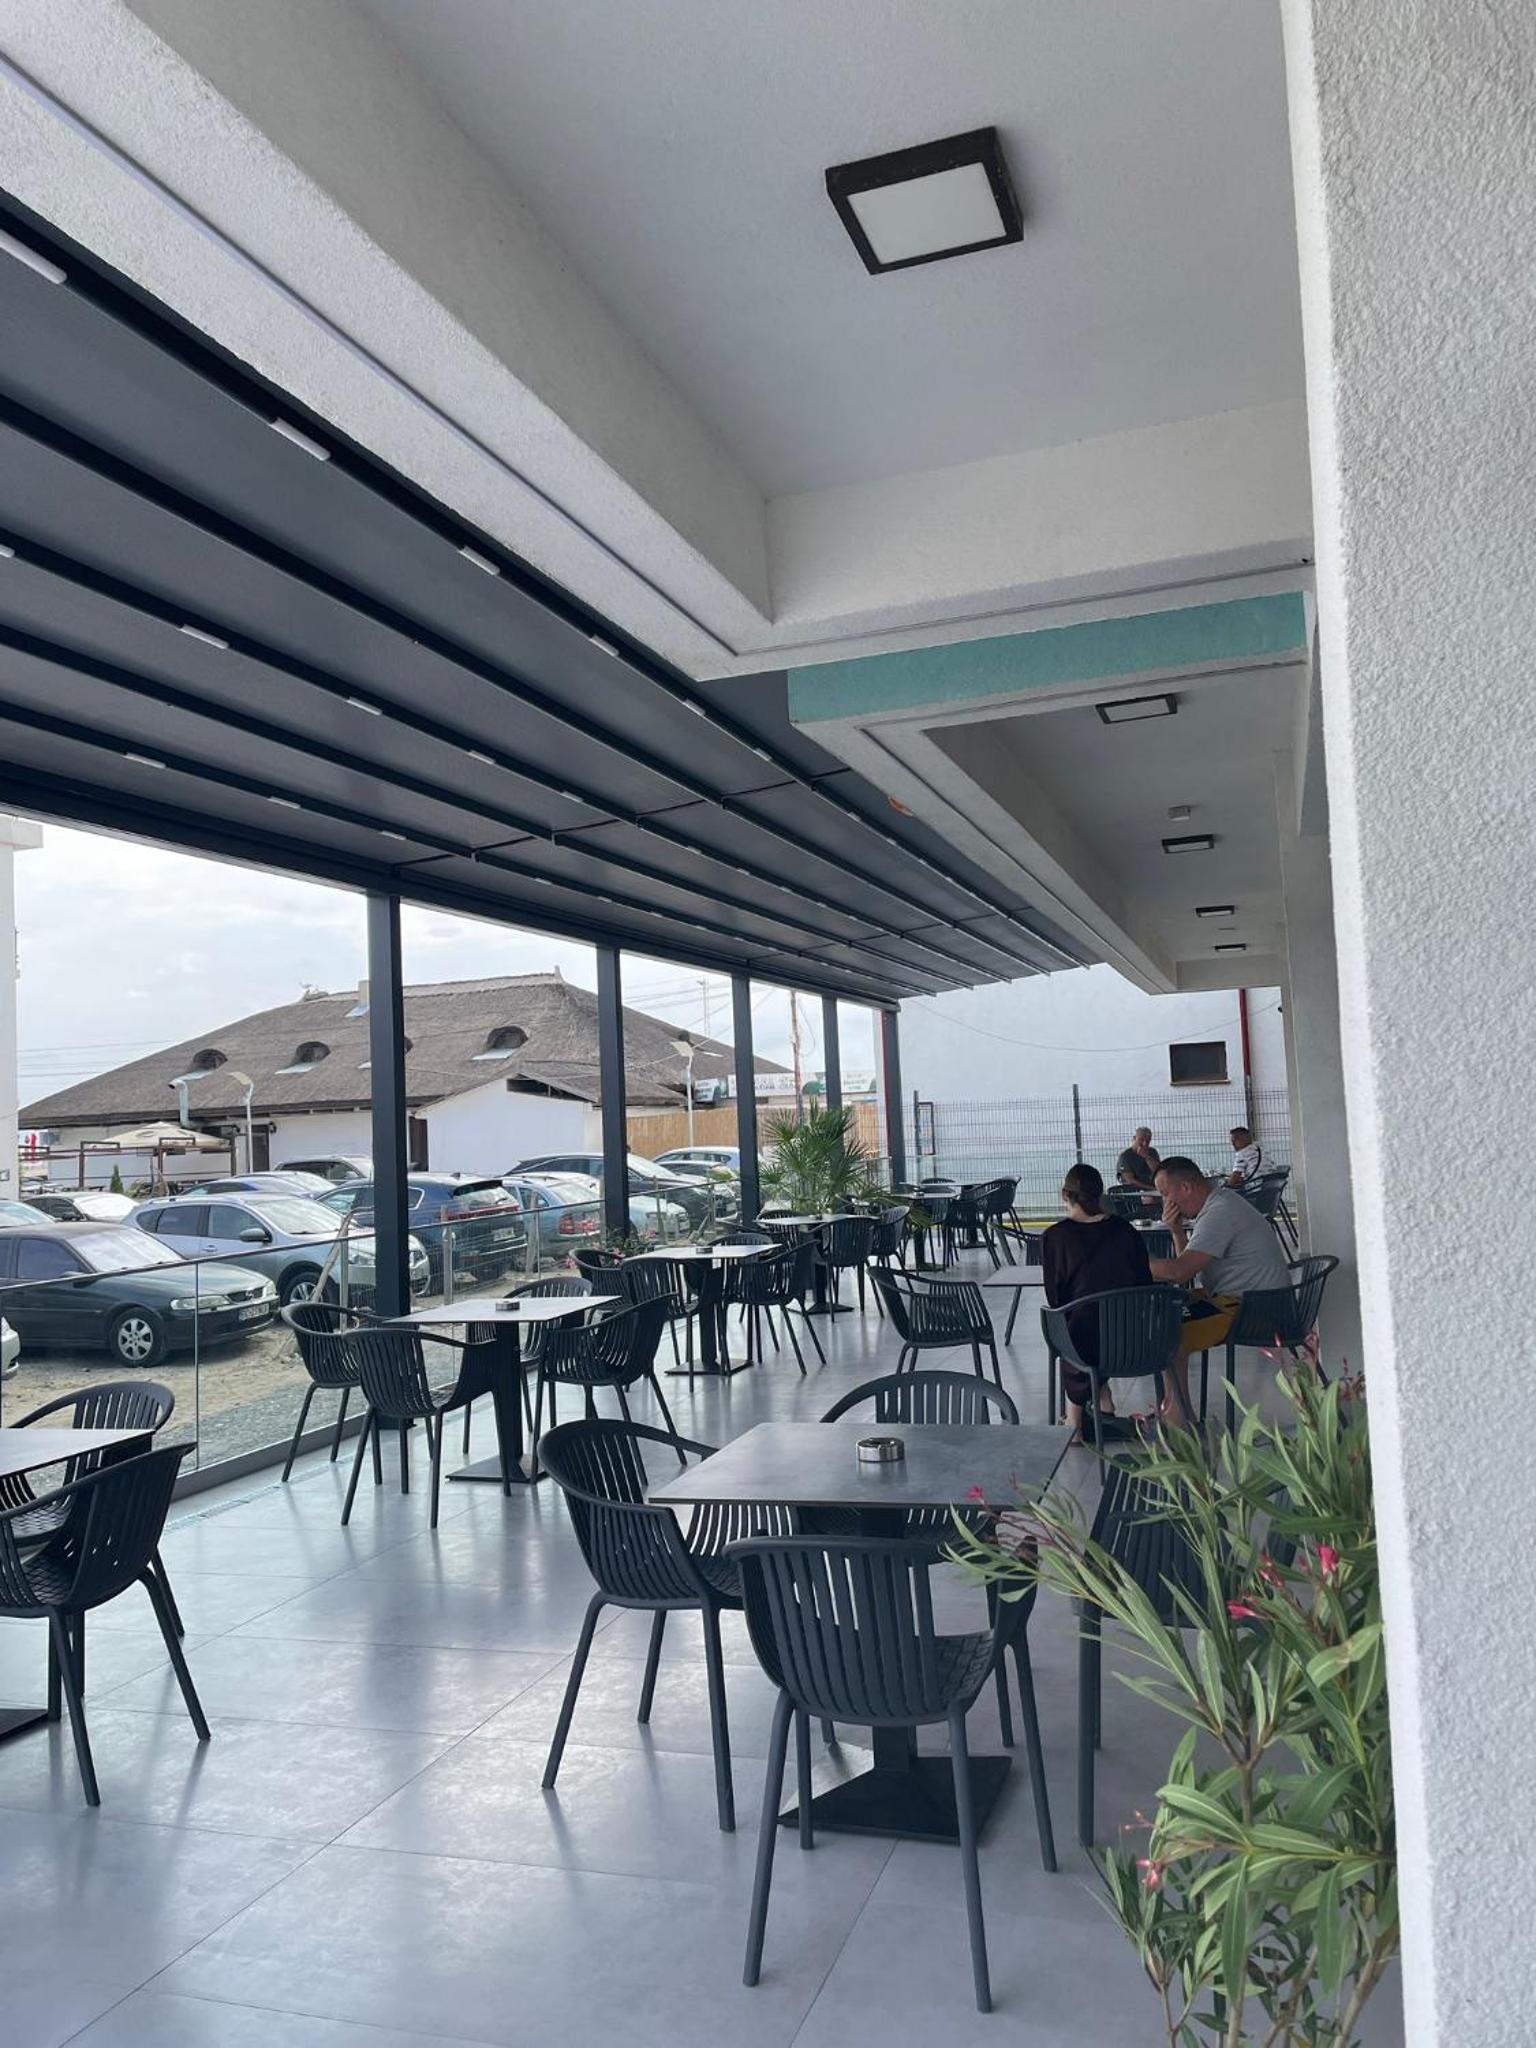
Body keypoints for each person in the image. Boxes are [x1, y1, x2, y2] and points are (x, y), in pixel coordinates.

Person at [1147, 1155, 1292, 1417]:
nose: (1164, 1202)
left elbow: (1179, 1272)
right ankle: (1177, 1412)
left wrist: (1128, 1262)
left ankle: (1178, 1421)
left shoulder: (1219, 1213)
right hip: (1243, 1300)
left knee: (1169, 1332)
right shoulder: (1220, 1203)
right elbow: (1186, 1269)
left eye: (1165, 1194)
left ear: (1186, 1188)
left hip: (1255, 1309)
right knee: (1166, 1312)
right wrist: (1177, 1231)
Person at [1040, 1161, 1152, 1442]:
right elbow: (1144, 1281)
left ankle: (1074, 1422)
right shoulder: (1125, 1230)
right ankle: (1104, 1400)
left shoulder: (1056, 1236)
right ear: (1100, 1195)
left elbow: (1056, 1297)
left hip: (1083, 1339)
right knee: (1098, 1322)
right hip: (1132, 1339)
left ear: (1065, 1195)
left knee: (1073, 1323)